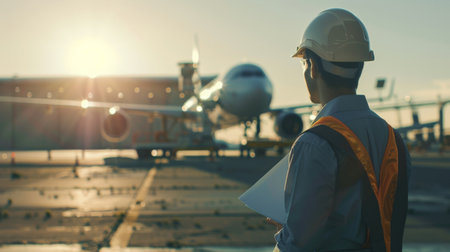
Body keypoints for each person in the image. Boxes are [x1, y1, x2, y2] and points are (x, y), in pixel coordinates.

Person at [271, 8, 411, 252]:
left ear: (313, 66)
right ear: (360, 67)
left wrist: (288, 232)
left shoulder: (314, 143)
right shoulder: (393, 139)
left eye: (304, 62)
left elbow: (297, 246)